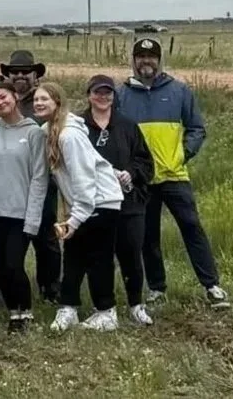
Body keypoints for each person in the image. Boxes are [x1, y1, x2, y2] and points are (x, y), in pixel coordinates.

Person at [117, 37, 229, 309]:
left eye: (152, 57)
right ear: (133, 60)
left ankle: (211, 285)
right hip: (142, 179)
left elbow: (197, 129)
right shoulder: (121, 95)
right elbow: (117, 134)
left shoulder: (179, 91)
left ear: (159, 60)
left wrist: (182, 154)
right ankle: (157, 288)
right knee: (148, 235)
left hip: (175, 176)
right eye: (141, 57)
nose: (146, 62)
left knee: (192, 228)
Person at [34, 83, 125, 331]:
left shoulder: (69, 136)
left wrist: (75, 220)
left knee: (99, 258)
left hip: (101, 201)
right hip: (83, 203)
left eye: (45, 99)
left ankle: (107, 313)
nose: (38, 103)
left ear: (58, 103)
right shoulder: (51, 132)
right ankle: (69, 308)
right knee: (74, 256)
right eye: (36, 99)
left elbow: (84, 181)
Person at [81, 74, 155, 326]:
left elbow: (145, 161)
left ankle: (136, 304)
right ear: (89, 94)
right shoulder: (79, 125)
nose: (102, 97)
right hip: (94, 204)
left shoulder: (127, 126)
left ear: (114, 96)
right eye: (97, 92)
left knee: (131, 254)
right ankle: (104, 308)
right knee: (98, 257)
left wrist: (131, 173)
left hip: (128, 203)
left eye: (107, 93)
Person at [0, 82, 49, 332]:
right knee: (0, 266)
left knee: (14, 263)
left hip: (20, 211)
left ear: (15, 97)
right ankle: (13, 314)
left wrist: (33, 216)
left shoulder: (34, 132)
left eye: (3, 97)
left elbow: (40, 177)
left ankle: (26, 312)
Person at [0, 50, 59, 302]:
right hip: (13, 180)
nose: (20, 76)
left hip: (44, 178)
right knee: (11, 239)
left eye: (25, 71)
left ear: (36, 75)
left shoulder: (43, 100)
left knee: (46, 237)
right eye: (15, 72)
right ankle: (8, 286)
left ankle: (50, 287)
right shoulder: (3, 101)